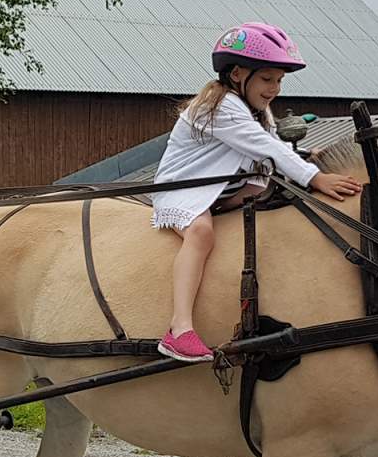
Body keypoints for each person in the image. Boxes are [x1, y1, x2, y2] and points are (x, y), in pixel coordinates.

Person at [150, 22, 362, 362]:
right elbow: (266, 147)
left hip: (223, 190)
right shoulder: (220, 106)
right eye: (267, 79)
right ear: (237, 74)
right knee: (202, 233)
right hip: (183, 191)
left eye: (279, 80)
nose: (275, 88)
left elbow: (275, 147)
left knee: (274, 200)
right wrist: (314, 178)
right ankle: (179, 329)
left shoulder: (256, 109)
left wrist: (309, 162)